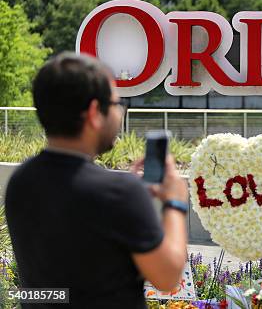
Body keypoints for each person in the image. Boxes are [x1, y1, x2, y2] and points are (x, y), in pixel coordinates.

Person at [5, 53, 189, 308]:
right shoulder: (119, 194)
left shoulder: (21, 181)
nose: (120, 113)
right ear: (94, 112)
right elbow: (168, 277)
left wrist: (134, 204)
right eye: (117, 104)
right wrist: (176, 204)